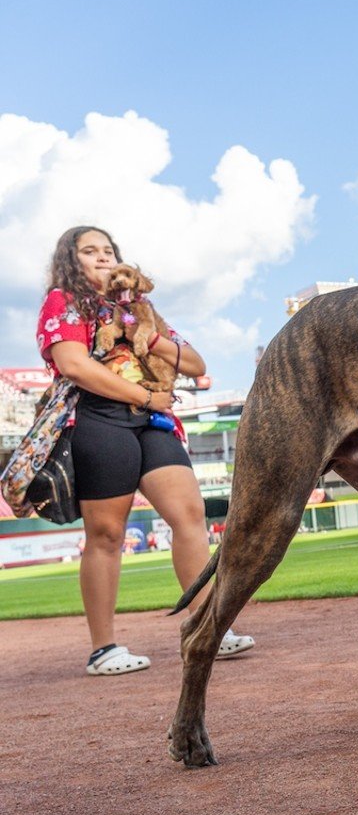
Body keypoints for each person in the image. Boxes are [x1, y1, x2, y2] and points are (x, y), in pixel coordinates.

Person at [36, 226, 255, 675]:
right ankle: (104, 649)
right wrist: (142, 396)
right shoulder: (64, 300)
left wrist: (148, 336)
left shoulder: (139, 308)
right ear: (70, 261)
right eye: (89, 251)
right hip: (99, 418)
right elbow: (74, 364)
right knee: (106, 535)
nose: (101, 256)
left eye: (108, 250)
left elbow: (195, 363)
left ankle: (208, 627)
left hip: (152, 420)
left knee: (190, 515)